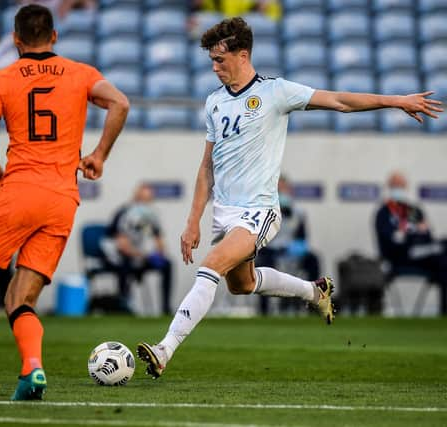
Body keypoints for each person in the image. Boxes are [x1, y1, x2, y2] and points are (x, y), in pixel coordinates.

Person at [137, 16, 443, 379]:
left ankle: (164, 349)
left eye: (220, 59)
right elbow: (207, 167)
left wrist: (394, 100)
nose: (214, 67)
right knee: (242, 285)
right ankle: (316, 293)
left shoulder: (274, 92)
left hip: (259, 212)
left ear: (243, 54)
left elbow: (340, 101)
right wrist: (192, 221)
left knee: (211, 265)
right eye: (212, 60)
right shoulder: (214, 103)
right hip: (225, 213)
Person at [0, 4, 129, 400]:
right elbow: (121, 103)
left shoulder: (3, 79)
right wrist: (98, 155)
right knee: (20, 298)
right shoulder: (81, 73)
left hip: (20, 189)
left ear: (15, 40)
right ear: (54, 36)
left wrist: (0, 180)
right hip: (62, 198)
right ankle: (32, 370)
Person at [375, 171, 447, 315]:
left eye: (401, 185)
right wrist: (410, 232)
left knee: (444, 254)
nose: (398, 188)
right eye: (395, 185)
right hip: (398, 258)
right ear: (389, 187)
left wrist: (411, 233)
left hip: (420, 254)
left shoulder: (412, 210)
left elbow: (426, 235)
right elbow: (391, 241)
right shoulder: (384, 213)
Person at [102, 183, 173, 315]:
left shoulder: (152, 216)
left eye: (148, 200)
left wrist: (158, 254)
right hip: (121, 257)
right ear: (135, 198)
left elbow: (159, 242)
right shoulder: (122, 214)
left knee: (167, 264)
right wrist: (142, 255)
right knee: (125, 265)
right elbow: (122, 246)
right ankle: (124, 306)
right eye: (141, 199)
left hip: (142, 256)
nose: (144, 203)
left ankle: (166, 308)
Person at [255, 175, 320, 315]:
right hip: (270, 250)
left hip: (290, 250)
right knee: (265, 263)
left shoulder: (298, 212)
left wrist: (296, 248)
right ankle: (264, 311)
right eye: (279, 189)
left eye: (284, 188)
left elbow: (302, 237)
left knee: (313, 259)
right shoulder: (262, 210)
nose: (282, 192)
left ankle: (314, 302)